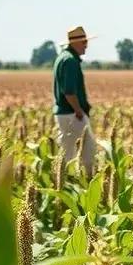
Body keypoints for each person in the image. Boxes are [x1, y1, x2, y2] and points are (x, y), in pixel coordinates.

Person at [52, 25, 96, 175]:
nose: (86, 46)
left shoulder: (63, 58)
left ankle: (67, 184)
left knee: (68, 152)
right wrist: (78, 111)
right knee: (87, 153)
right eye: (84, 42)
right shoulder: (70, 61)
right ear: (75, 43)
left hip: (66, 113)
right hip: (71, 113)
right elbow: (69, 91)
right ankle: (81, 184)